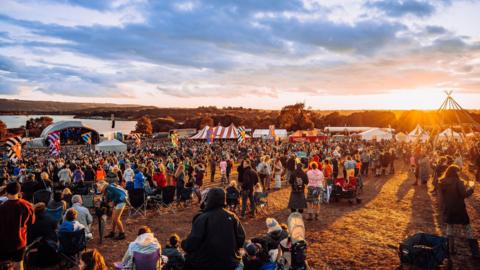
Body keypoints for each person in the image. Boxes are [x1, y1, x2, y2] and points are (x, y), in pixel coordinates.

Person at [182, 188, 245, 270]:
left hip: (206, 264)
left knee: (187, 260)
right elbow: (241, 238)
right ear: (224, 199)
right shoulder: (232, 216)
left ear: (209, 199)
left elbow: (192, 242)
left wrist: (183, 244)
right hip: (230, 263)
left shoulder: (202, 218)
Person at [439, 165, 479, 258]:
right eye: (458, 172)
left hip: (448, 209)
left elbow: (446, 195)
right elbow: (464, 194)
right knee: (468, 229)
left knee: (450, 228)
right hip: (459, 209)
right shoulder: (458, 182)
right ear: (455, 172)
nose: (459, 173)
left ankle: (450, 249)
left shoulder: (442, 182)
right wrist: (471, 189)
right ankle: (475, 252)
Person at [0, 182, 35, 270]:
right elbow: (31, 221)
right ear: (19, 192)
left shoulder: (2, 207)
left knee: (5, 265)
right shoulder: (27, 205)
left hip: (4, 242)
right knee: (19, 264)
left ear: (6, 192)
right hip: (20, 240)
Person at [27, 203, 59, 268]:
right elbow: (55, 227)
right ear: (44, 210)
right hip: (49, 243)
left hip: (34, 244)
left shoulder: (30, 220)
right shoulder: (50, 218)